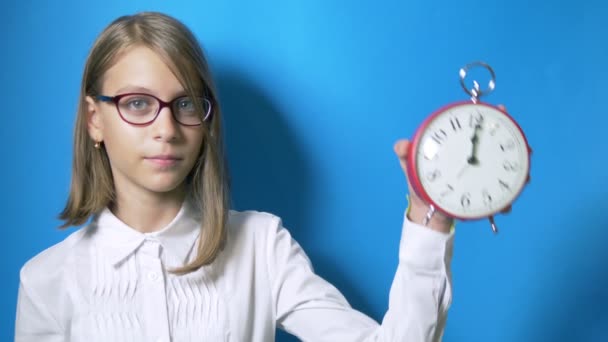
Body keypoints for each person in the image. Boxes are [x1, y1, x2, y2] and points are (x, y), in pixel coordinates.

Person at [15, 12, 454, 342]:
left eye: (185, 104)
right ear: (95, 120)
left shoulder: (261, 246)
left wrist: (429, 215)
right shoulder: (47, 282)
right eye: (137, 103)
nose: (166, 129)